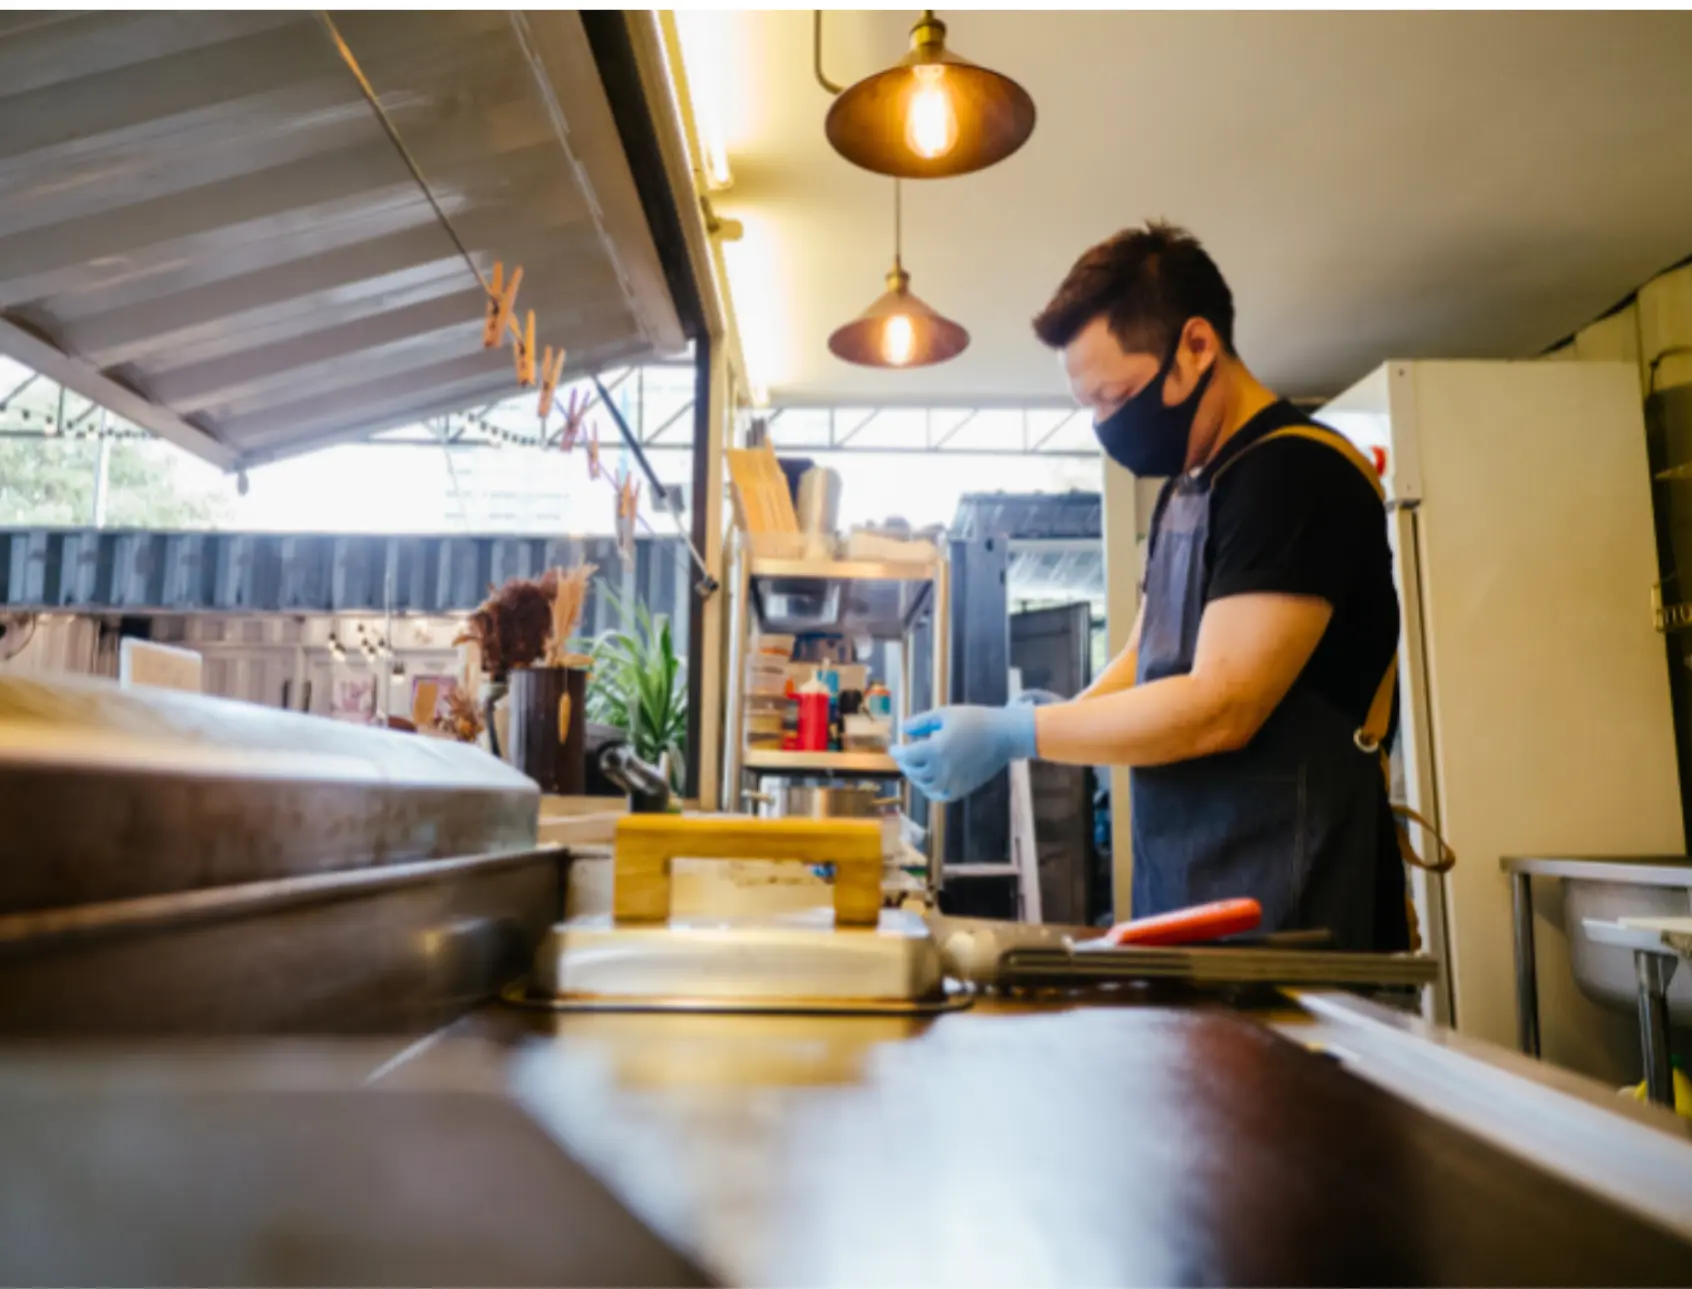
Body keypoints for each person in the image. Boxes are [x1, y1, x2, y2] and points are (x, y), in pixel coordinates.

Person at [892, 222, 1409, 951]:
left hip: (1296, 912)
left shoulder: (1292, 478)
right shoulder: (1189, 488)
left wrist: (1021, 731)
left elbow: (1219, 706)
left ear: (1197, 346)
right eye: (1091, 406)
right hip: (1189, 894)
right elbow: (1147, 656)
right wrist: (1029, 730)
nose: (1108, 424)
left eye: (1118, 394)